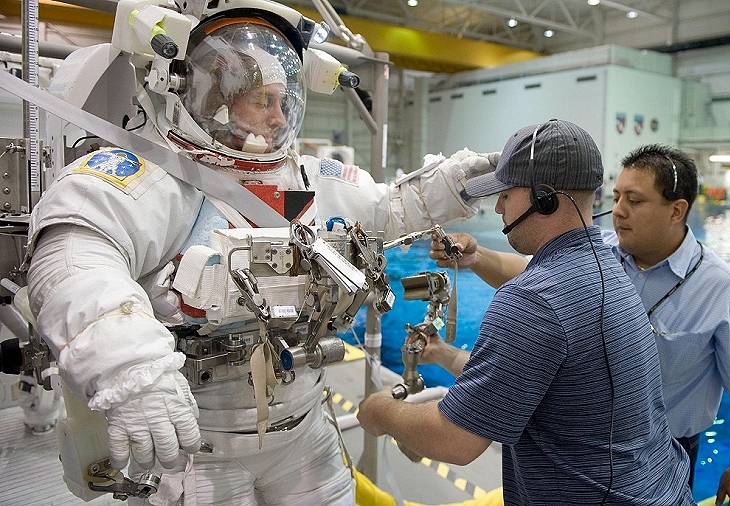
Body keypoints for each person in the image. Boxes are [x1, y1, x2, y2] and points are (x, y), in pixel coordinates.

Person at [22, 2, 496, 505]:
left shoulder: (306, 181)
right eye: (259, 101)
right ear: (206, 98)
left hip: (306, 432)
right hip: (199, 446)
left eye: (282, 99)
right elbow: (74, 255)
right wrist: (131, 368)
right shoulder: (156, 177)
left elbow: (392, 209)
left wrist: (471, 178)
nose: (277, 116)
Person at [357, 119, 694, 505]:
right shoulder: (608, 268)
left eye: (506, 194)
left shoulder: (532, 300)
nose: (498, 206)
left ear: (543, 198)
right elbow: (540, 385)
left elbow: (455, 440)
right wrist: (445, 354)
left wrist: (381, 411)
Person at [428, 143, 730, 506]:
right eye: (617, 196)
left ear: (677, 210)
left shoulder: (727, 294)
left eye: (635, 201)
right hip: (580, 442)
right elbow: (531, 273)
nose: (619, 211)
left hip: (663, 448)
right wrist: (476, 256)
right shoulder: (601, 251)